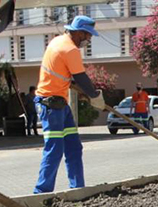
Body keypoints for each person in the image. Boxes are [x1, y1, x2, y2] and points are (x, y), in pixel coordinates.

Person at [33, 15, 105, 194]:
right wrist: (94, 95)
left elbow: (65, 75)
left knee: (73, 147)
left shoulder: (57, 41)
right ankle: (41, 192)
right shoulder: (70, 49)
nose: (88, 39)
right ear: (79, 33)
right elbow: (80, 77)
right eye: (88, 35)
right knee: (54, 149)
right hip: (50, 106)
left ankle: (77, 189)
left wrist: (85, 92)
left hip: (60, 104)